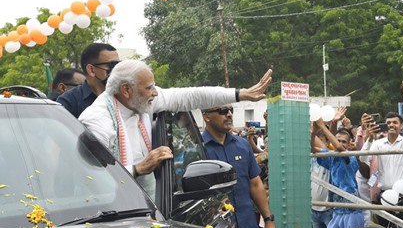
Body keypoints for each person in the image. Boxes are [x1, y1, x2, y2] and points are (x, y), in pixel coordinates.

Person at [79, 59, 272, 199]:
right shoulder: (98, 121)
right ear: (126, 90)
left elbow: (190, 96)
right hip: (113, 215)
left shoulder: (141, 102)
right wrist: (138, 169)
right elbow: (91, 177)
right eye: (149, 88)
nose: (155, 93)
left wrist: (240, 94)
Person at [201, 106, 276, 228]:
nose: (229, 114)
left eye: (231, 110)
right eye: (223, 111)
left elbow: (255, 184)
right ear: (206, 116)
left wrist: (268, 219)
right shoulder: (198, 150)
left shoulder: (242, 146)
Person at [313, 120, 365, 228]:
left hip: (352, 209)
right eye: (338, 140)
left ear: (350, 144)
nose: (341, 144)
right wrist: (314, 131)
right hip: (337, 210)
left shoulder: (349, 156)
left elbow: (341, 150)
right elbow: (313, 149)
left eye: (344, 141)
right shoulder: (331, 156)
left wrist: (323, 127)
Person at [58, 43, 120, 118]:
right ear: (91, 70)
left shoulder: (123, 97)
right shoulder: (69, 101)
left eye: (119, 64)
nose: (117, 69)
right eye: (112, 65)